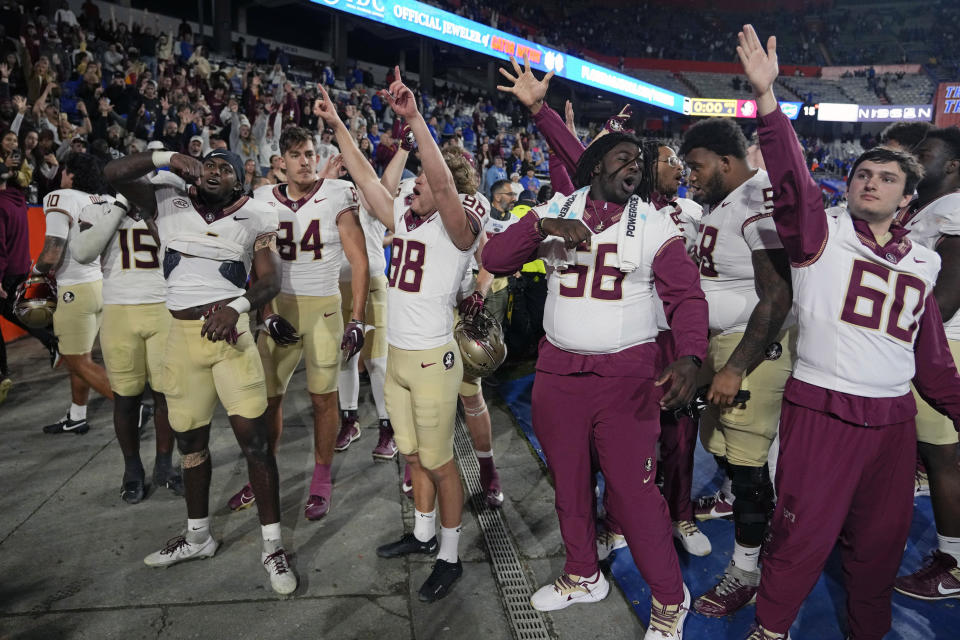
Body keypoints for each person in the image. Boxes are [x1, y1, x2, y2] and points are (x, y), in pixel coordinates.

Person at [738, 24, 960, 639]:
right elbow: (790, 183)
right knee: (799, 539)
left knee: (879, 547)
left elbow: (933, 361)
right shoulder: (821, 234)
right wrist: (767, 100)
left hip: (892, 425)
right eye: (863, 173)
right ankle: (772, 630)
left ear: (908, 198)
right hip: (822, 414)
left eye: (887, 178)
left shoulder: (927, 262)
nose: (870, 182)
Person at [488, 55, 706, 640]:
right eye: (624, 156)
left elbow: (686, 299)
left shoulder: (657, 224)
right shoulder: (557, 208)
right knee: (569, 480)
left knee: (634, 494)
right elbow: (492, 259)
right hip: (559, 369)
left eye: (641, 159)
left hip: (627, 376)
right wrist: (539, 229)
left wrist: (689, 355)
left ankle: (670, 596)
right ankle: (584, 573)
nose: (635, 165)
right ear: (593, 165)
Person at [314, 69, 487, 603]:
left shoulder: (459, 229)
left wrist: (414, 120)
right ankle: (423, 534)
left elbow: (440, 181)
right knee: (412, 459)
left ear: (448, 191)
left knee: (439, 462)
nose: (413, 185)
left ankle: (451, 556)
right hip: (400, 357)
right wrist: (338, 124)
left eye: (426, 183)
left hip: (436, 359)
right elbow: (367, 177)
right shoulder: (406, 220)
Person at [104, 147, 297, 596]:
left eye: (225, 167)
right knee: (191, 441)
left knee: (255, 442)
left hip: (232, 342)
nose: (214, 170)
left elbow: (270, 280)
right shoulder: (167, 201)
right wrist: (165, 157)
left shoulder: (257, 215)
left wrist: (238, 307)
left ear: (240, 182)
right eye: (208, 163)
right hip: (180, 338)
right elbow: (113, 172)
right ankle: (197, 536)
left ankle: (272, 546)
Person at [679, 114, 795, 617]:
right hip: (721, 342)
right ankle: (736, 504)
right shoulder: (727, 200)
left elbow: (777, 295)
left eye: (698, 166)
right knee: (715, 439)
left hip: (751, 347)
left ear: (726, 162)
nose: (691, 176)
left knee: (748, 464)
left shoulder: (757, 200)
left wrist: (735, 368)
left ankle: (747, 570)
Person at [229, 126, 368, 522]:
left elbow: (359, 260)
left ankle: (321, 479)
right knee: (265, 399)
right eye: (296, 154)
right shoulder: (261, 200)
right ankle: (262, 472)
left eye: (309, 153)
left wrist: (357, 318)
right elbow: (255, 262)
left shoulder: (336, 193)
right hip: (281, 310)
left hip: (324, 308)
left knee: (323, 398)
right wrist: (266, 312)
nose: (305, 161)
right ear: (281, 162)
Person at [71, 193, 182, 503]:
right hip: (119, 311)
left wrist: (148, 213)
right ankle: (132, 469)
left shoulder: (166, 207)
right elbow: (81, 252)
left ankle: (164, 464)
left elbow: (179, 252)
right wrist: (119, 208)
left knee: (166, 394)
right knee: (125, 397)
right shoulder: (97, 209)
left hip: (163, 307)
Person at [891, 126, 960, 601]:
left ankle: (953, 564)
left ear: (953, 165)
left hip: (941, 342)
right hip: (929, 341)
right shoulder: (929, 207)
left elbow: (951, 288)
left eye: (926, 153)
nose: (917, 158)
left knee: (944, 457)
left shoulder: (954, 207)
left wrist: (903, 337)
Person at [36, 153, 115, 434]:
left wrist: (35, 274)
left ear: (70, 173)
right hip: (102, 285)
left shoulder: (62, 196)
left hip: (75, 289)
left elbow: (52, 252)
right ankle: (77, 415)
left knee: (76, 359)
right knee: (80, 356)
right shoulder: (102, 199)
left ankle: (130, 407)